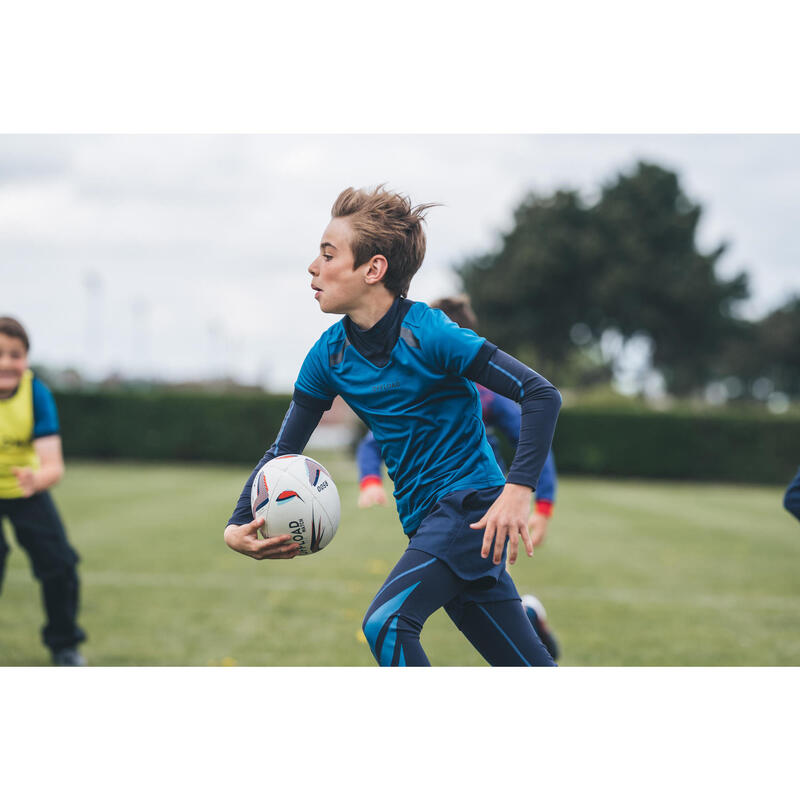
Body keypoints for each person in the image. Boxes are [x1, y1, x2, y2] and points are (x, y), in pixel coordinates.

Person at [224, 186, 562, 667]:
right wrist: (238, 524)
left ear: (373, 269)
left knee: (385, 622)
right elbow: (283, 451)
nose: (312, 267)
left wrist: (518, 491)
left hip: (469, 508)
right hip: (430, 524)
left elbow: (541, 394)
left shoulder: (432, 333)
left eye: (327, 254)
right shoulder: (328, 356)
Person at [356, 294, 560, 659]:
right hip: (436, 513)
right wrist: (370, 481)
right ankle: (528, 613)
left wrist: (539, 502)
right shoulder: (411, 392)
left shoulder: (487, 393)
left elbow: (535, 429)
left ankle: (527, 613)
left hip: (478, 504)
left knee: (389, 620)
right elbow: (371, 444)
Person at [0, 316, 87, 666]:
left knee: (60, 565)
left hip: (26, 491)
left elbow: (54, 466)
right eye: (0, 354)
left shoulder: (37, 394)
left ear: (26, 359)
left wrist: (36, 480)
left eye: (15, 354)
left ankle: (64, 646)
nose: (6, 362)